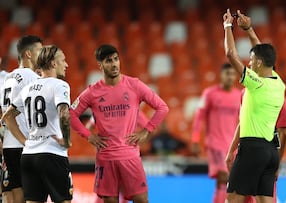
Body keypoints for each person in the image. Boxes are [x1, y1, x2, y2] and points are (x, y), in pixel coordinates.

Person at [70, 44, 169, 203]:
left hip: (130, 156)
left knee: (142, 200)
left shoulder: (134, 85)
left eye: (116, 59)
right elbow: (71, 114)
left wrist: (146, 131)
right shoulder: (92, 92)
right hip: (106, 159)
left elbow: (162, 107)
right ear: (100, 65)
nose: (115, 64)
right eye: (109, 61)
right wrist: (89, 136)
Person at [223, 8, 286, 203]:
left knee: (232, 199)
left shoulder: (254, 83)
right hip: (270, 153)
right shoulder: (278, 82)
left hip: (251, 149)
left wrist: (227, 26)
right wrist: (249, 30)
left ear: (258, 63)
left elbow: (230, 54)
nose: (249, 64)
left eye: (251, 61)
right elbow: (261, 52)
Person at [1, 45, 72, 203]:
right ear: (53, 63)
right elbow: (64, 113)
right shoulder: (60, 85)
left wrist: (25, 142)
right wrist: (67, 140)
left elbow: (7, 116)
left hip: (29, 156)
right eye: (63, 60)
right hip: (53, 154)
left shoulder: (28, 89)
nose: (66, 65)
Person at [191, 63, 242, 203]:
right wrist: (195, 140)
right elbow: (198, 117)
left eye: (233, 74)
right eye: (227, 74)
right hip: (215, 144)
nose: (230, 77)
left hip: (232, 145)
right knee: (223, 177)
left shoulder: (240, 95)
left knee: (228, 182)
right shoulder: (210, 93)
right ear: (221, 75)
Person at [0, 35, 42, 203]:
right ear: (28, 54)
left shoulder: (8, 78)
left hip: (9, 145)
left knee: (15, 193)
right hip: (24, 143)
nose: (43, 54)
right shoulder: (31, 78)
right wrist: (26, 142)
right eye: (39, 50)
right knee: (32, 196)